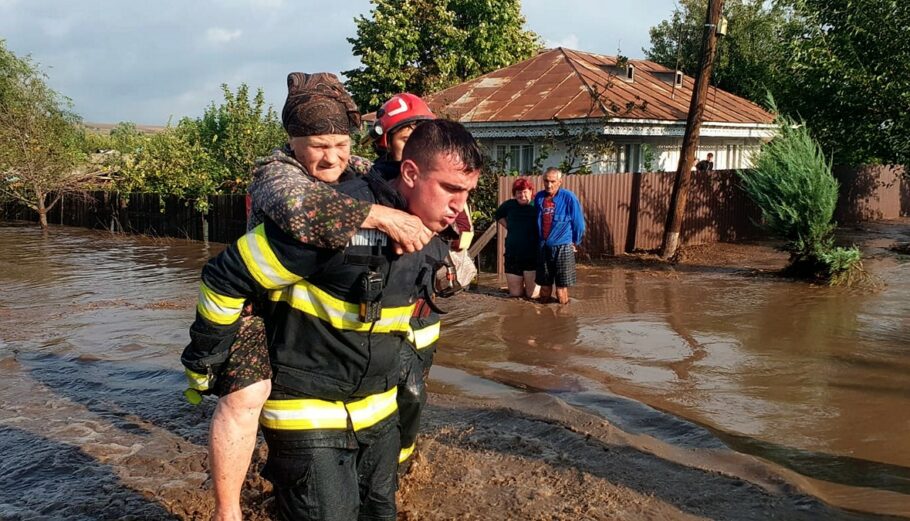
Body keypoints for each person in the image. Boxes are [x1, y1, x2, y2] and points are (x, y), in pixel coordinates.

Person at [182, 119, 482, 521]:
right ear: (411, 173)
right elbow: (225, 276)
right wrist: (207, 359)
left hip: (377, 412)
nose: (459, 207)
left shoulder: (431, 227)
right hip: (308, 412)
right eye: (451, 189)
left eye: (467, 193)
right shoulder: (334, 220)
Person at [535, 167, 585, 305]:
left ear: (560, 182)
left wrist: (575, 242)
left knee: (561, 290)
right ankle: (543, 318)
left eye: (552, 181)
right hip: (544, 247)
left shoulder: (569, 198)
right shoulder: (539, 197)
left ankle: (562, 320)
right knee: (544, 288)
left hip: (563, 247)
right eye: (546, 181)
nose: (549, 185)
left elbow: (579, 224)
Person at [494, 177, 540, 298]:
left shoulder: (537, 205)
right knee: (515, 295)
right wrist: (509, 227)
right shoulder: (509, 205)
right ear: (514, 194)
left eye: (525, 191)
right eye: (518, 192)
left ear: (531, 191)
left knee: (533, 296)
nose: (522, 195)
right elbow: (498, 215)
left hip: (533, 256)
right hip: (512, 255)